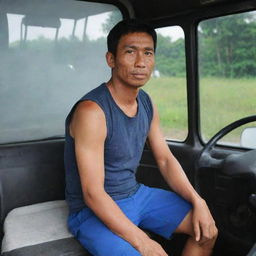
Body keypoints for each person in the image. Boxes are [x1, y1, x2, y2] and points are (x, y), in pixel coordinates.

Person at [64, 19, 218, 256]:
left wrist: (199, 201)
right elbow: (92, 193)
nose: (140, 62)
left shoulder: (146, 102)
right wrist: (142, 242)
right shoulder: (92, 112)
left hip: (136, 195)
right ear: (111, 59)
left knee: (206, 231)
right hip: (92, 210)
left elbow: (165, 159)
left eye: (148, 53)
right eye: (130, 52)